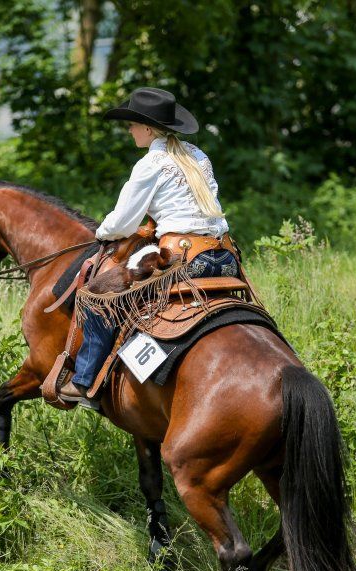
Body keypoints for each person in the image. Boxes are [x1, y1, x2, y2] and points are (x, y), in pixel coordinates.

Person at [59, 87, 240, 406]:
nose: (129, 130)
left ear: (147, 128)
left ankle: (85, 383)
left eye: (132, 124)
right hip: (223, 258)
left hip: (184, 260)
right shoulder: (197, 156)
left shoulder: (151, 163)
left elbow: (123, 223)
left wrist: (101, 232)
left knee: (99, 294)